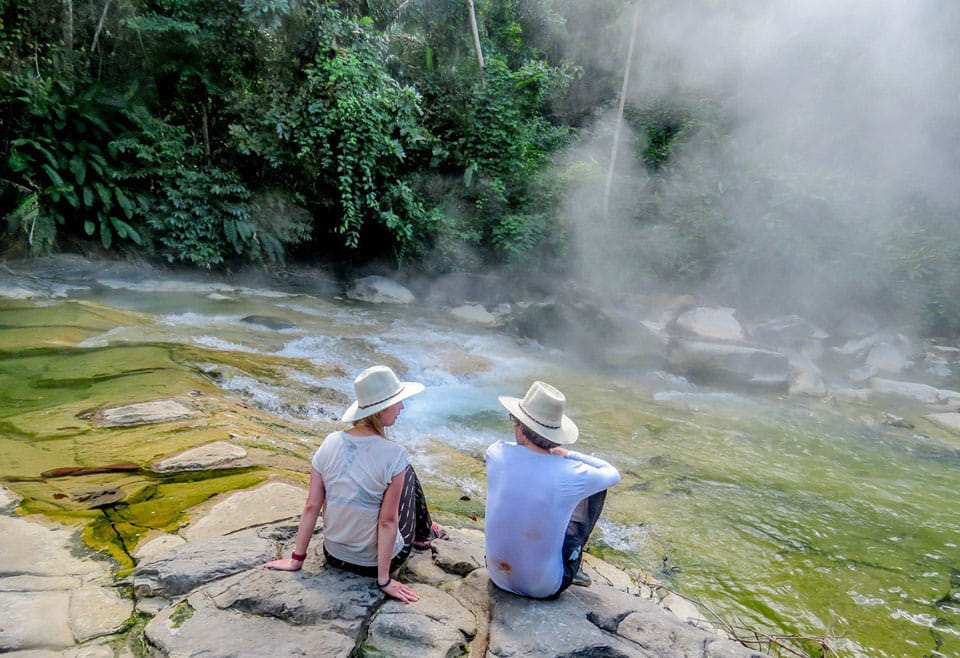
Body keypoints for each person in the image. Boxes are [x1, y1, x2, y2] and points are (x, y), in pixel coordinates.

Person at [265, 365, 445, 603]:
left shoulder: (329, 442)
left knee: (395, 474)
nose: (402, 407)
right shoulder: (395, 454)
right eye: (398, 402)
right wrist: (384, 580)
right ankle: (423, 534)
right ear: (382, 410)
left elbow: (312, 505)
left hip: (334, 555)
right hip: (374, 565)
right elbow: (387, 521)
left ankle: (423, 533)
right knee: (406, 471)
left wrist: (296, 559)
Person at [484, 380, 620, 599]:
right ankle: (572, 560)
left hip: (498, 576)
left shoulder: (495, 453)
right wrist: (568, 454)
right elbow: (612, 474)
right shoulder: (571, 472)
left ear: (519, 428)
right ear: (555, 436)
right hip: (544, 588)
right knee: (597, 488)